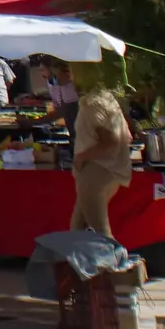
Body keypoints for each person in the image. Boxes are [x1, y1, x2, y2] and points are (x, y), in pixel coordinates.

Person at [70, 85, 132, 238]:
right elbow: (128, 137)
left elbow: (110, 141)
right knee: (78, 228)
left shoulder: (91, 103)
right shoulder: (108, 99)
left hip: (96, 171)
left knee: (101, 232)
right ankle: (84, 261)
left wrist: (81, 157)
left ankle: (116, 260)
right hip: (110, 171)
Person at [44, 59, 81, 129]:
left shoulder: (72, 90)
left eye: (56, 75)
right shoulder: (63, 88)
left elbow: (61, 111)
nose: (57, 79)